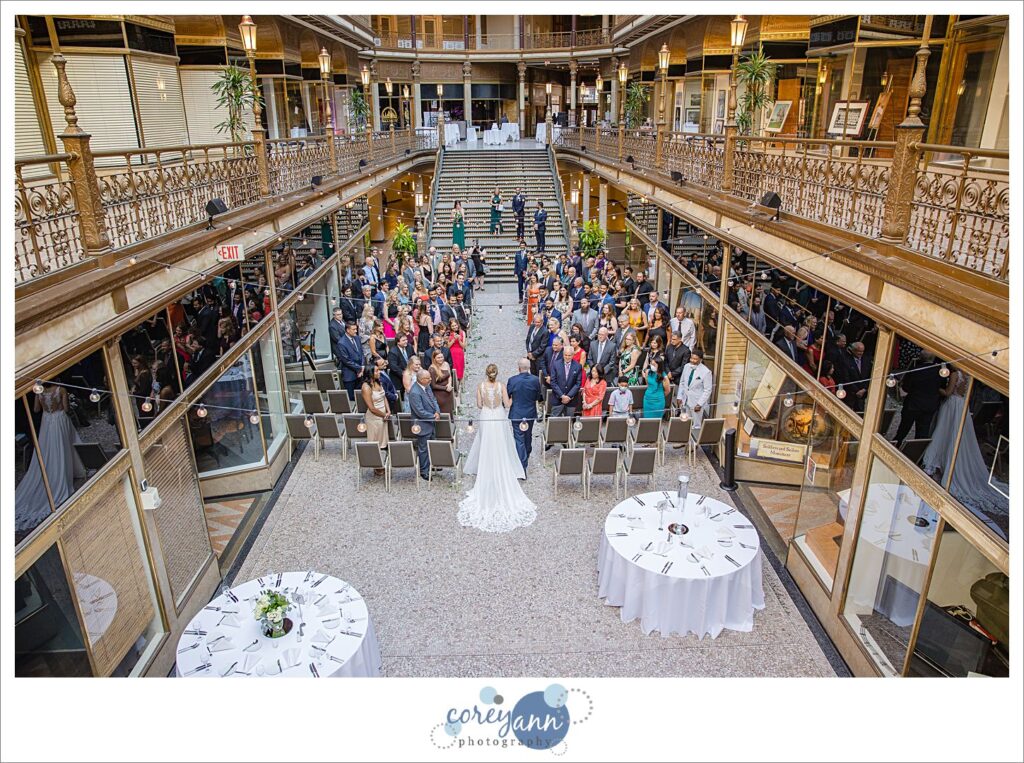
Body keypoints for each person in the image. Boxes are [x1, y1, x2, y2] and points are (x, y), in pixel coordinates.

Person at [459, 363, 537, 533]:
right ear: (497, 374)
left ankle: (486, 467)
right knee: (502, 443)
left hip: (487, 415)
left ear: (486, 374)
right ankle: (503, 466)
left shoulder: (480, 386)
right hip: (499, 416)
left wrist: (488, 403)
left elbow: (479, 405)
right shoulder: (502, 385)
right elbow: (507, 404)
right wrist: (513, 398)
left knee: (486, 441)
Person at [15, 382, 86, 534]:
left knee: (48, 449)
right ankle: (67, 470)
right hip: (59, 419)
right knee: (64, 445)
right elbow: (66, 409)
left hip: (47, 421)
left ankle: (54, 469)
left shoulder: (39, 392)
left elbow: (35, 409)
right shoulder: (61, 389)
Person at [894, 350, 944, 447]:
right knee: (922, 432)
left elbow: (906, 388)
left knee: (903, 429)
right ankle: (916, 454)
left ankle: (895, 446)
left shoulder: (914, 370)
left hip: (913, 404)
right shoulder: (940, 372)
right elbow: (941, 385)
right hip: (929, 405)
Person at [507, 357, 545, 470]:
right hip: (529, 412)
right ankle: (526, 456)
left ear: (518, 368)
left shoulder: (512, 380)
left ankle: (522, 465)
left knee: (519, 439)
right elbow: (538, 396)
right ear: (528, 368)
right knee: (528, 435)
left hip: (516, 413)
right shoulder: (535, 380)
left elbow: (508, 395)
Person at [408, 369, 441, 480]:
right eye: (428, 378)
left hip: (431, 422)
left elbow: (433, 400)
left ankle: (433, 464)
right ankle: (424, 471)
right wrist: (433, 416)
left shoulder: (426, 386)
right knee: (423, 449)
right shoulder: (414, 392)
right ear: (421, 380)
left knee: (432, 444)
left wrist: (437, 411)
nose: (430, 379)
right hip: (422, 424)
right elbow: (419, 411)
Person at [360, 366, 390, 475]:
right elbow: (371, 408)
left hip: (383, 416)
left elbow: (384, 397)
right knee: (375, 442)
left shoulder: (378, 382)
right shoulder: (366, 387)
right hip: (374, 418)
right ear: (370, 372)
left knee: (383, 441)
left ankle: (381, 463)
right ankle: (376, 466)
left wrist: (388, 411)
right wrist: (383, 415)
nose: (379, 372)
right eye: (377, 371)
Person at [675, 348, 714, 430]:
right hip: (685, 400)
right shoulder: (686, 366)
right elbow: (682, 382)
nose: (692, 360)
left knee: (696, 426)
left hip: (696, 403)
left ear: (700, 359)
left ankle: (694, 441)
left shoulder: (706, 372)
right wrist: (679, 397)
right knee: (684, 422)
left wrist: (700, 404)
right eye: (691, 358)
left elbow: (707, 390)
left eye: (695, 359)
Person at [547, 346, 583, 420]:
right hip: (557, 398)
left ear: (573, 355)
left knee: (569, 421)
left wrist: (569, 396)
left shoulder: (578, 366)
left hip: (571, 400)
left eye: (569, 355)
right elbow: (553, 382)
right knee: (555, 421)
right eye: (565, 355)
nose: (567, 357)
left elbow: (578, 383)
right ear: (563, 354)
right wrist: (562, 396)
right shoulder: (555, 364)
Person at [337, 321, 364, 399]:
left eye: (356, 329)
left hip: (360, 374)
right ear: (347, 330)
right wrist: (360, 368)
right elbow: (346, 360)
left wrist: (361, 367)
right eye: (354, 329)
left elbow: (361, 353)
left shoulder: (357, 338)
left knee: (360, 397)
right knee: (351, 398)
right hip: (350, 375)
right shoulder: (342, 343)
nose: (356, 331)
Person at [429, 347, 454, 414]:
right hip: (439, 394)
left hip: (448, 393)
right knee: (443, 412)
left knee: (449, 410)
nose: (441, 359)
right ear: (434, 359)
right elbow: (433, 385)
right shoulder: (432, 369)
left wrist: (449, 384)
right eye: (438, 358)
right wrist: (445, 388)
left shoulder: (446, 364)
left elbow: (449, 376)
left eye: (442, 357)